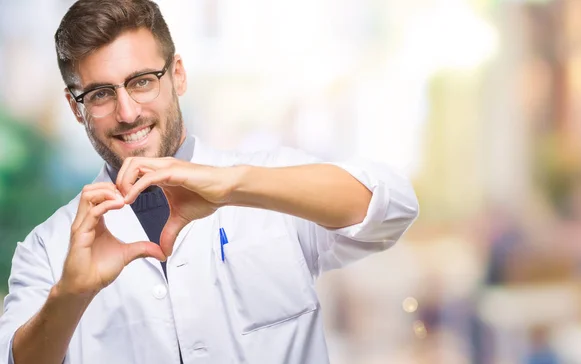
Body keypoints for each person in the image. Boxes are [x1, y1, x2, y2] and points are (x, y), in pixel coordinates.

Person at [0, 1, 419, 363]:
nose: (127, 112)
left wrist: (232, 187)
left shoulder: (269, 181)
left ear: (177, 75)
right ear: (77, 109)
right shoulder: (49, 250)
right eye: (100, 95)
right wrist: (71, 295)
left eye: (142, 81)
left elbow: (393, 206)